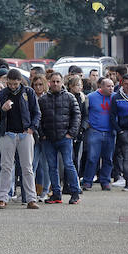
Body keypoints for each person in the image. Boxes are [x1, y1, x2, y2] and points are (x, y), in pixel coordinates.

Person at [0, 68, 41, 209]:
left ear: (20, 81)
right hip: (7, 134)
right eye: (10, 83)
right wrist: (2, 110)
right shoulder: (1, 94)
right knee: (6, 167)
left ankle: (31, 199)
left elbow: (37, 112)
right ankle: (2, 198)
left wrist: (32, 128)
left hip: (24, 133)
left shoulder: (28, 92)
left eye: (15, 84)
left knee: (27, 167)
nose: (12, 86)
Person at [37, 72, 81, 204]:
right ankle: (56, 194)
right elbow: (38, 117)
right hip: (48, 139)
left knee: (68, 165)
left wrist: (71, 133)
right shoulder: (43, 99)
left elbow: (77, 116)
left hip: (65, 138)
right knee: (52, 167)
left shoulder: (70, 97)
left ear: (62, 82)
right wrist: (42, 134)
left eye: (58, 81)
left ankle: (75, 194)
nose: (55, 84)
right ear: (49, 82)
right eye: (53, 81)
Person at [82, 77, 116, 191]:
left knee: (108, 158)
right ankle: (87, 181)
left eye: (112, 86)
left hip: (110, 132)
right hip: (95, 131)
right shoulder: (91, 97)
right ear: (101, 86)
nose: (111, 88)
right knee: (92, 157)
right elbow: (85, 112)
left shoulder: (115, 97)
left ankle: (105, 181)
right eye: (108, 86)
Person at [66, 74, 89, 175]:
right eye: (77, 85)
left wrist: (82, 128)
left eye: (80, 85)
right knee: (69, 158)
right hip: (67, 130)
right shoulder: (66, 97)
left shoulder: (82, 98)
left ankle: (75, 180)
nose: (79, 87)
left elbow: (85, 115)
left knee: (76, 157)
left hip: (79, 131)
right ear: (70, 86)